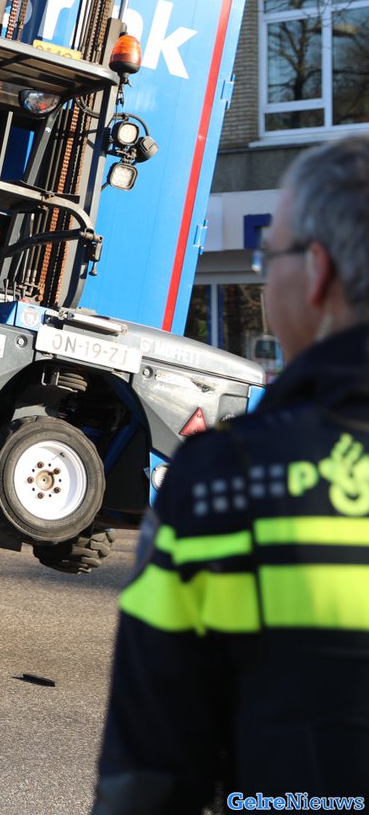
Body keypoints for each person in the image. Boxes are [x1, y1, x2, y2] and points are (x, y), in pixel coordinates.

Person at [93, 133, 369, 812]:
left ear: (318, 272)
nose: (261, 271)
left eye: (265, 255)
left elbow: (151, 776)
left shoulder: (228, 484)